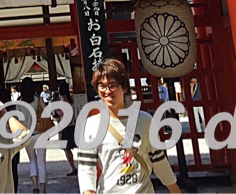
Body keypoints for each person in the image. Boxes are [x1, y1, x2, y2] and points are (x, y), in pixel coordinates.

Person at [75, 59, 180, 194]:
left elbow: (159, 162)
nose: (107, 91)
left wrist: (176, 192)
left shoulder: (144, 120)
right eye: (102, 85)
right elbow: (86, 168)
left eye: (112, 85)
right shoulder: (91, 125)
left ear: (124, 87)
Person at [16, 79, 47, 193]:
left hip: (27, 135)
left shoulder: (19, 102)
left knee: (32, 160)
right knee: (41, 161)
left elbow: (18, 120)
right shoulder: (37, 100)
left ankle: (35, 186)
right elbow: (46, 112)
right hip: (40, 133)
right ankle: (43, 189)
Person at [54, 81, 77, 177]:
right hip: (74, 125)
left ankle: (72, 167)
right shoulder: (72, 99)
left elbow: (58, 114)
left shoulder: (61, 101)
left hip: (65, 126)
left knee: (67, 149)